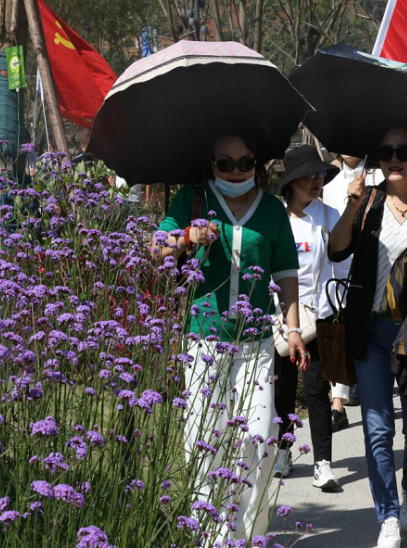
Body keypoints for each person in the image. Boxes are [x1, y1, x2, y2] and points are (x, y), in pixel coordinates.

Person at [151, 134, 308, 542]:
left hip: (256, 346)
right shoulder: (193, 200)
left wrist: (292, 328)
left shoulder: (271, 210)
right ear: (212, 163)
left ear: (257, 163)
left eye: (245, 163)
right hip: (204, 343)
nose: (236, 171)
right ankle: (210, 535)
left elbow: (286, 272)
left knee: (259, 441)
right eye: (226, 163)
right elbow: (156, 249)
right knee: (205, 440)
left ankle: (248, 535)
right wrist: (187, 237)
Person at [329, 128, 407, 548]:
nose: (394, 158)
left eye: (403, 151)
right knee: (377, 428)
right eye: (386, 152)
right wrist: (351, 206)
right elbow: (336, 250)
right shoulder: (368, 203)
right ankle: (388, 514)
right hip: (370, 330)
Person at [273, 145, 343, 490]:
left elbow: (342, 265)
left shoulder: (329, 216)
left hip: (317, 317)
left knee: (316, 388)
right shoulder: (276, 217)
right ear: (292, 181)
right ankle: (283, 451)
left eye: (320, 175)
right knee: (283, 390)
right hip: (280, 316)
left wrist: (338, 311)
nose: (317, 181)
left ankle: (322, 463)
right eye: (309, 175)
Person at [322, 153, 384, 428]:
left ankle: (353, 386)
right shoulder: (330, 179)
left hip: (366, 263)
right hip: (333, 261)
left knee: (357, 328)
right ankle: (338, 402)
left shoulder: (378, 175)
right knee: (336, 327)